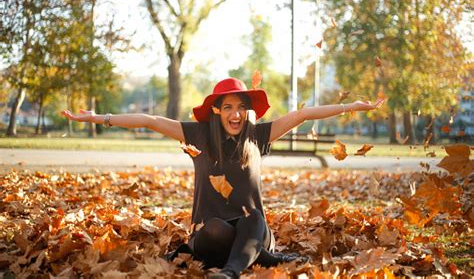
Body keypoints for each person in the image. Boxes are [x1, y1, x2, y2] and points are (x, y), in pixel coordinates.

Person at [62, 77, 383, 278]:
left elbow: (303, 114)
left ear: (247, 110)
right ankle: (260, 257)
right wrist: (99, 117)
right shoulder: (197, 134)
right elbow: (150, 120)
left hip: (253, 228)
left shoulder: (259, 135)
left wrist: (351, 106)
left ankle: (231, 272)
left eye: (240, 107)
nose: (235, 113)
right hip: (209, 235)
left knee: (254, 219)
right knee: (216, 227)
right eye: (227, 106)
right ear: (216, 110)